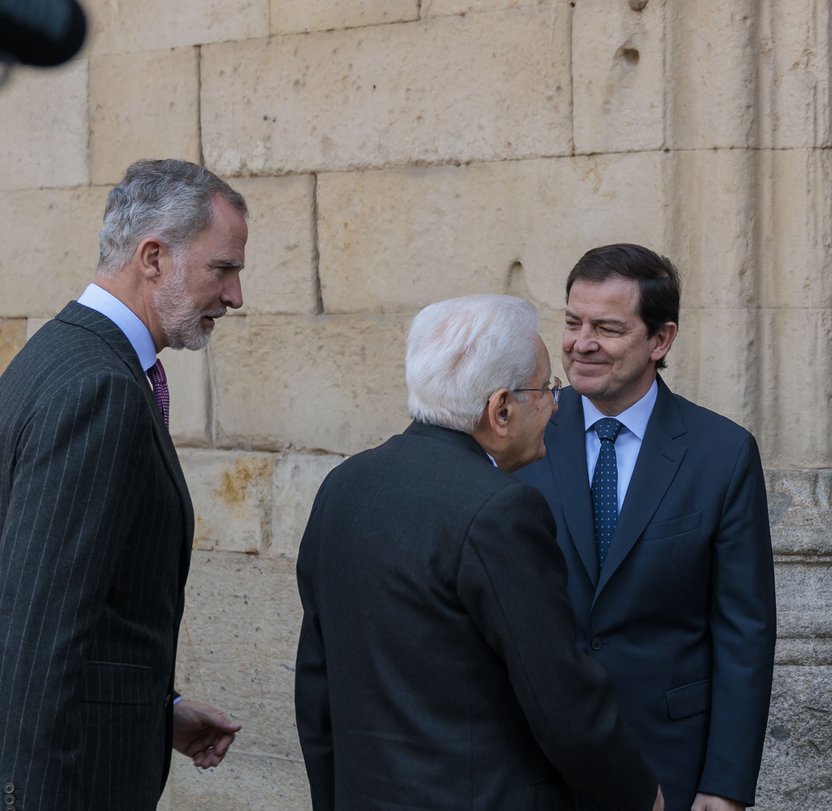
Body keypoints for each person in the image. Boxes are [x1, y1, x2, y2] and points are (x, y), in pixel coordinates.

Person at [294, 294, 663, 811]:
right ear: (501, 410)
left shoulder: (344, 485)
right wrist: (638, 795)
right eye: (546, 388)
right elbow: (558, 697)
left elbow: (317, 683)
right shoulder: (501, 510)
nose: (556, 404)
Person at [0, 159, 247, 810]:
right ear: (154, 258)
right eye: (223, 269)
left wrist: (156, 710)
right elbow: (35, 632)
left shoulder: (66, 354)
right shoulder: (97, 387)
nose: (235, 296)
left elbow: (93, 607)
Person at [516, 244, 776, 811]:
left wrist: (726, 785)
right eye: (572, 322)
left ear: (660, 340)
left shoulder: (721, 453)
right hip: (534, 761)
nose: (581, 343)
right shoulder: (519, 438)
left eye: (607, 328)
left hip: (669, 760)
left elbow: (744, 630)